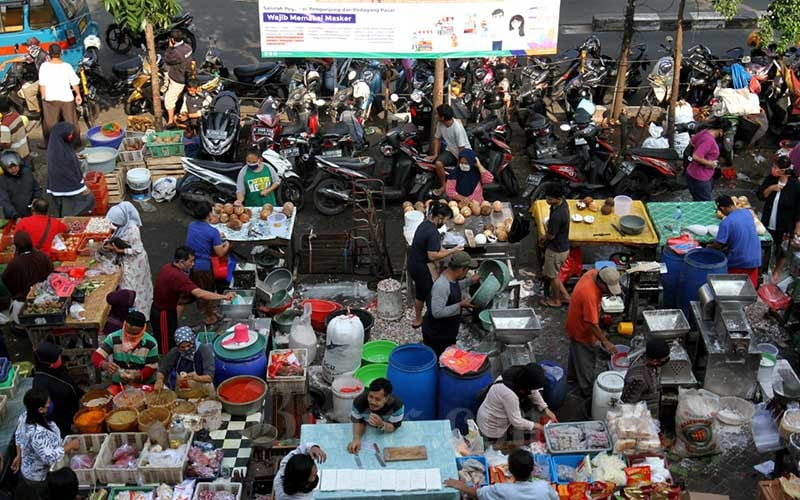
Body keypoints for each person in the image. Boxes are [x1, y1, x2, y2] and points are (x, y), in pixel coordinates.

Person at [151, 246, 235, 353]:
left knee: (171, 336)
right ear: (182, 262)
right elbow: (200, 293)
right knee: (166, 345)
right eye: (191, 261)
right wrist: (224, 296)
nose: (193, 264)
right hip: (162, 313)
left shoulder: (168, 267)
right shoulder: (177, 276)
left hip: (169, 309)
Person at [12, 388, 80, 499]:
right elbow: (50, 457)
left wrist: (19, 455)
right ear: (41, 409)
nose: (51, 404)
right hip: (38, 476)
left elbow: (18, 436)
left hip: (29, 465)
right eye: (48, 403)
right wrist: (70, 446)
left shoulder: (25, 415)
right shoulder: (37, 434)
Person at [565, 266, 621, 397]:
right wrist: (605, 342)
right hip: (581, 329)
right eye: (608, 289)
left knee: (576, 352)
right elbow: (592, 323)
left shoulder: (593, 273)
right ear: (601, 283)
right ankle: (587, 390)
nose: (609, 292)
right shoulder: (589, 295)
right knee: (586, 359)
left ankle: (572, 377)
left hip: (574, 321)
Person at [407, 201, 462, 328]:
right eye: (446, 220)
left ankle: (418, 319)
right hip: (422, 268)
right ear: (439, 217)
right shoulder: (433, 233)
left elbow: (437, 247)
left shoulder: (425, 224)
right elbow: (432, 255)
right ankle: (432, 324)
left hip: (413, 263)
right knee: (432, 296)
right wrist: (452, 251)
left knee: (420, 293)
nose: (445, 223)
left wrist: (447, 251)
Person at [477, 363, 556, 442]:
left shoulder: (519, 373)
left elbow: (533, 390)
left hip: (490, 413)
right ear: (526, 386)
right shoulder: (509, 394)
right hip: (491, 427)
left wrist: (545, 408)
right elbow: (516, 421)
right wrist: (539, 426)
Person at [422, 251, 478, 357]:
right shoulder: (441, 285)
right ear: (462, 269)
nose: (467, 272)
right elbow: (437, 312)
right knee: (439, 361)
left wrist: (470, 281)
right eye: (468, 269)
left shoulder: (451, 277)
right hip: (436, 335)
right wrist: (460, 305)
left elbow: (453, 287)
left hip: (446, 332)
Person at [445, 448, 557, 500]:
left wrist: (460, 486)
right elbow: (556, 498)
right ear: (533, 469)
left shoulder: (502, 490)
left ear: (510, 470)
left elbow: (478, 494)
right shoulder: (544, 487)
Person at [185, 201, 230, 326]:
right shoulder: (212, 232)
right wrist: (227, 244)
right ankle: (209, 317)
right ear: (209, 214)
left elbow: (201, 238)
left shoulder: (192, 225)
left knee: (197, 289)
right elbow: (220, 253)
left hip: (190, 263)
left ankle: (209, 312)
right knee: (207, 291)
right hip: (203, 267)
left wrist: (216, 237)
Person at [105, 202, 153, 316]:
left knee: (133, 288)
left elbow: (137, 249)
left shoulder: (132, 229)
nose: (113, 225)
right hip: (126, 260)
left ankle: (139, 314)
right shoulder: (121, 226)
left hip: (135, 263)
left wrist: (119, 251)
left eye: (115, 222)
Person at [757, 155, 800, 282]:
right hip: (768, 221)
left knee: (782, 249)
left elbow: (799, 209)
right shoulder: (771, 179)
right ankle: (763, 269)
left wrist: (798, 229)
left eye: (775, 168)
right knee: (766, 247)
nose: (773, 169)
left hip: (785, 225)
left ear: (783, 171)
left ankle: (777, 271)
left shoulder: (795, 185)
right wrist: (771, 189)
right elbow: (760, 195)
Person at [91, 311, 159, 389]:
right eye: (128, 332)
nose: (130, 336)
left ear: (144, 329)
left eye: (135, 334)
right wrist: (104, 364)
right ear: (124, 325)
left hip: (143, 385)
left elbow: (152, 367)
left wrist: (139, 375)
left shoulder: (151, 343)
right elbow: (96, 356)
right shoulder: (113, 338)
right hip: (120, 384)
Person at [709, 195, 762, 287]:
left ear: (722, 208)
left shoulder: (726, 222)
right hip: (755, 257)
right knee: (749, 289)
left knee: (734, 290)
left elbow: (719, 244)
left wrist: (709, 247)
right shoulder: (747, 213)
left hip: (740, 261)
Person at [31, 342, 83, 437]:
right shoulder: (40, 384)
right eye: (57, 357)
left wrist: (84, 397)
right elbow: (48, 414)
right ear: (49, 363)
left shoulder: (58, 369)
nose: (60, 358)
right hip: (64, 425)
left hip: (75, 411)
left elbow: (71, 384)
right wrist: (68, 426)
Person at [46, 122, 95, 216]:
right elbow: (66, 172)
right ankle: (68, 221)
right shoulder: (60, 154)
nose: (71, 135)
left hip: (56, 184)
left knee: (63, 206)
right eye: (70, 133)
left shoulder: (57, 144)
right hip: (64, 184)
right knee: (88, 198)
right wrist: (81, 187)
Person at [3, 232, 52, 324]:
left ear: (17, 247)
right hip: (46, 299)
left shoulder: (14, 263)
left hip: (22, 304)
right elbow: (51, 272)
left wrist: (16, 292)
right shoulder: (42, 256)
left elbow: (7, 280)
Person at [38, 45, 81, 145]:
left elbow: (42, 84)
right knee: (70, 121)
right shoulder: (67, 66)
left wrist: (43, 97)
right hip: (67, 98)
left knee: (50, 124)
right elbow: (74, 83)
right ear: (61, 53)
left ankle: (51, 144)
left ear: (49, 54)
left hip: (50, 99)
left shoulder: (44, 66)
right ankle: (74, 142)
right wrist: (78, 95)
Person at [347, 378, 405, 453]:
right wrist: (356, 438)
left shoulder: (396, 406)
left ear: (387, 398)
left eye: (377, 399)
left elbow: (394, 427)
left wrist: (382, 424)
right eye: (370, 396)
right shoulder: (359, 402)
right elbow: (359, 421)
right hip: (367, 432)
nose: (372, 402)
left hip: (386, 434)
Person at [154, 326, 215, 396]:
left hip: (204, 391)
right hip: (183, 392)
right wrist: (159, 380)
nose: (186, 349)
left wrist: (196, 377)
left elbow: (209, 377)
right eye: (182, 347)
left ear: (193, 340)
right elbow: (163, 370)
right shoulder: (175, 352)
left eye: (189, 345)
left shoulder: (204, 350)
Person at [426, 104, 472, 195]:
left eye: (437, 114)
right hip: (451, 151)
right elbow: (437, 138)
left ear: (442, 117)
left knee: (461, 172)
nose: (435, 116)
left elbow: (462, 149)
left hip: (464, 152)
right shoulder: (440, 124)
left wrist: (459, 164)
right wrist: (435, 154)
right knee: (438, 163)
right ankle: (444, 186)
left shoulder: (457, 128)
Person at [539, 183, 571, 308]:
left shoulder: (558, 215)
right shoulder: (561, 204)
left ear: (558, 198)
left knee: (552, 277)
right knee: (554, 274)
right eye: (547, 198)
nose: (547, 201)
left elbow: (551, 236)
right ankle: (566, 296)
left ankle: (556, 300)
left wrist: (545, 236)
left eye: (550, 199)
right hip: (562, 246)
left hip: (556, 250)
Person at [621, 338, 670, 418]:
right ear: (654, 361)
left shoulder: (648, 358)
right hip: (642, 415)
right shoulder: (638, 379)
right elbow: (627, 404)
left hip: (651, 406)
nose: (666, 360)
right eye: (664, 359)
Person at [685, 118, 730, 201]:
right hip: (700, 178)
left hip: (692, 173)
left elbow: (692, 141)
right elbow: (696, 156)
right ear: (721, 131)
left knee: (698, 202)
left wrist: (702, 151)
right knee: (705, 205)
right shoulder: (709, 140)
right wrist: (710, 163)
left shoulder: (705, 132)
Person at [164, 29, 193, 128]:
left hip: (178, 80)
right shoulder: (188, 47)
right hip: (187, 75)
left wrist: (169, 48)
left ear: (172, 39)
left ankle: (170, 121)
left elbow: (167, 60)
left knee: (169, 100)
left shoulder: (176, 53)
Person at [0, 151, 39, 220]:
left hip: (31, 212)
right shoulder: (2, 181)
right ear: (4, 168)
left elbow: (36, 187)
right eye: (10, 168)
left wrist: (36, 198)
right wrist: (15, 216)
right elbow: (4, 201)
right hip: (14, 216)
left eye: (15, 166)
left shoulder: (27, 172)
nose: (13, 169)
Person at [0, 95, 31, 161]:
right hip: (25, 150)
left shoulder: (5, 125)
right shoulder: (16, 115)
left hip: (15, 155)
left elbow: (7, 145)